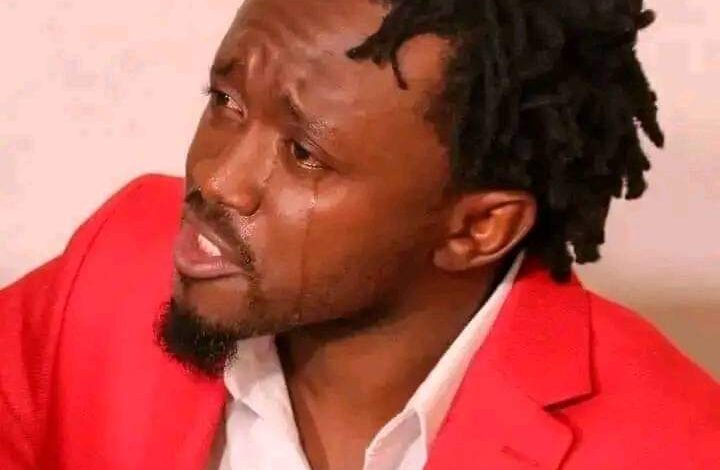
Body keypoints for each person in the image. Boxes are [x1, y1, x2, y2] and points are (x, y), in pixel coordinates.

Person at [2, 0, 718, 468]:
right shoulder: (121, 262)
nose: (217, 180)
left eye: (303, 154)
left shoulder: (670, 447)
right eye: (225, 101)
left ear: (478, 228)